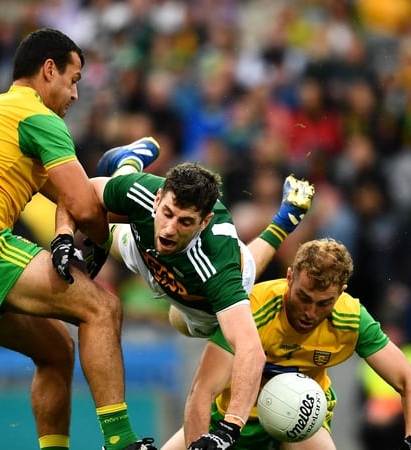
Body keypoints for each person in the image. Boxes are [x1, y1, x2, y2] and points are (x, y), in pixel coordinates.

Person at [0, 28, 156, 450]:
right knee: (102, 307)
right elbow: (83, 207)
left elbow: (80, 197)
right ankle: (121, 442)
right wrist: (108, 238)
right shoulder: (39, 117)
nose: (75, 96)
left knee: (57, 350)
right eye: (73, 80)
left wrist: (128, 198)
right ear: (49, 70)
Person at [55, 142, 316, 450]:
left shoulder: (218, 264)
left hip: (198, 310)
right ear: (157, 199)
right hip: (146, 254)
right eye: (167, 213)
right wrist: (63, 236)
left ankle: (284, 219)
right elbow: (75, 194)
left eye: (185, 222)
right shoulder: (142, 195)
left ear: (204, 222)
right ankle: (128, 163)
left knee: (231, 282)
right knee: (95, 213)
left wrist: (229, 428)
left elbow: (251, 351)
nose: (168, 229)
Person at [160, 238, 411, 450]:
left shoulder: (352, 318)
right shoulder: (252, 309)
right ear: (289, 278)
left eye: (324, 302)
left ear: (341, 292)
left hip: (301, 420)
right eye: (303, 297)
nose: (309, 313)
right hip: (229, 420)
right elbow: (202, 390)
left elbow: (410, 382)